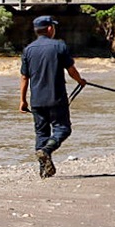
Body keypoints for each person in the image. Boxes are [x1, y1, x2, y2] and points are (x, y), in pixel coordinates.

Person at [20, 15, 86, 179]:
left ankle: (44, 171)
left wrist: (22, 100)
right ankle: (47, 150)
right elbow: (71, 70)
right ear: (50, 29)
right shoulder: (59, 46)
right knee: (63, 129)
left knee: (41, 133)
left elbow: (24, 77)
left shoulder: (28, 50)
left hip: (37, 101)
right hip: (56, 98)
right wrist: (81, 81)